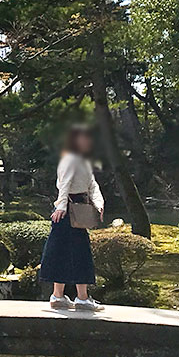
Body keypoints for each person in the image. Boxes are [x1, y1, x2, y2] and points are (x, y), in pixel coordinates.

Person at [39, 125, 105, 311]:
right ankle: (79, 297)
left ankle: (59, 295)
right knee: (75, 251)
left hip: (78, 207)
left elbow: (92, 185)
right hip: (68, 209)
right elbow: (64, 184)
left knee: (66, 250)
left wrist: (98, 203)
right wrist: (61, 206)